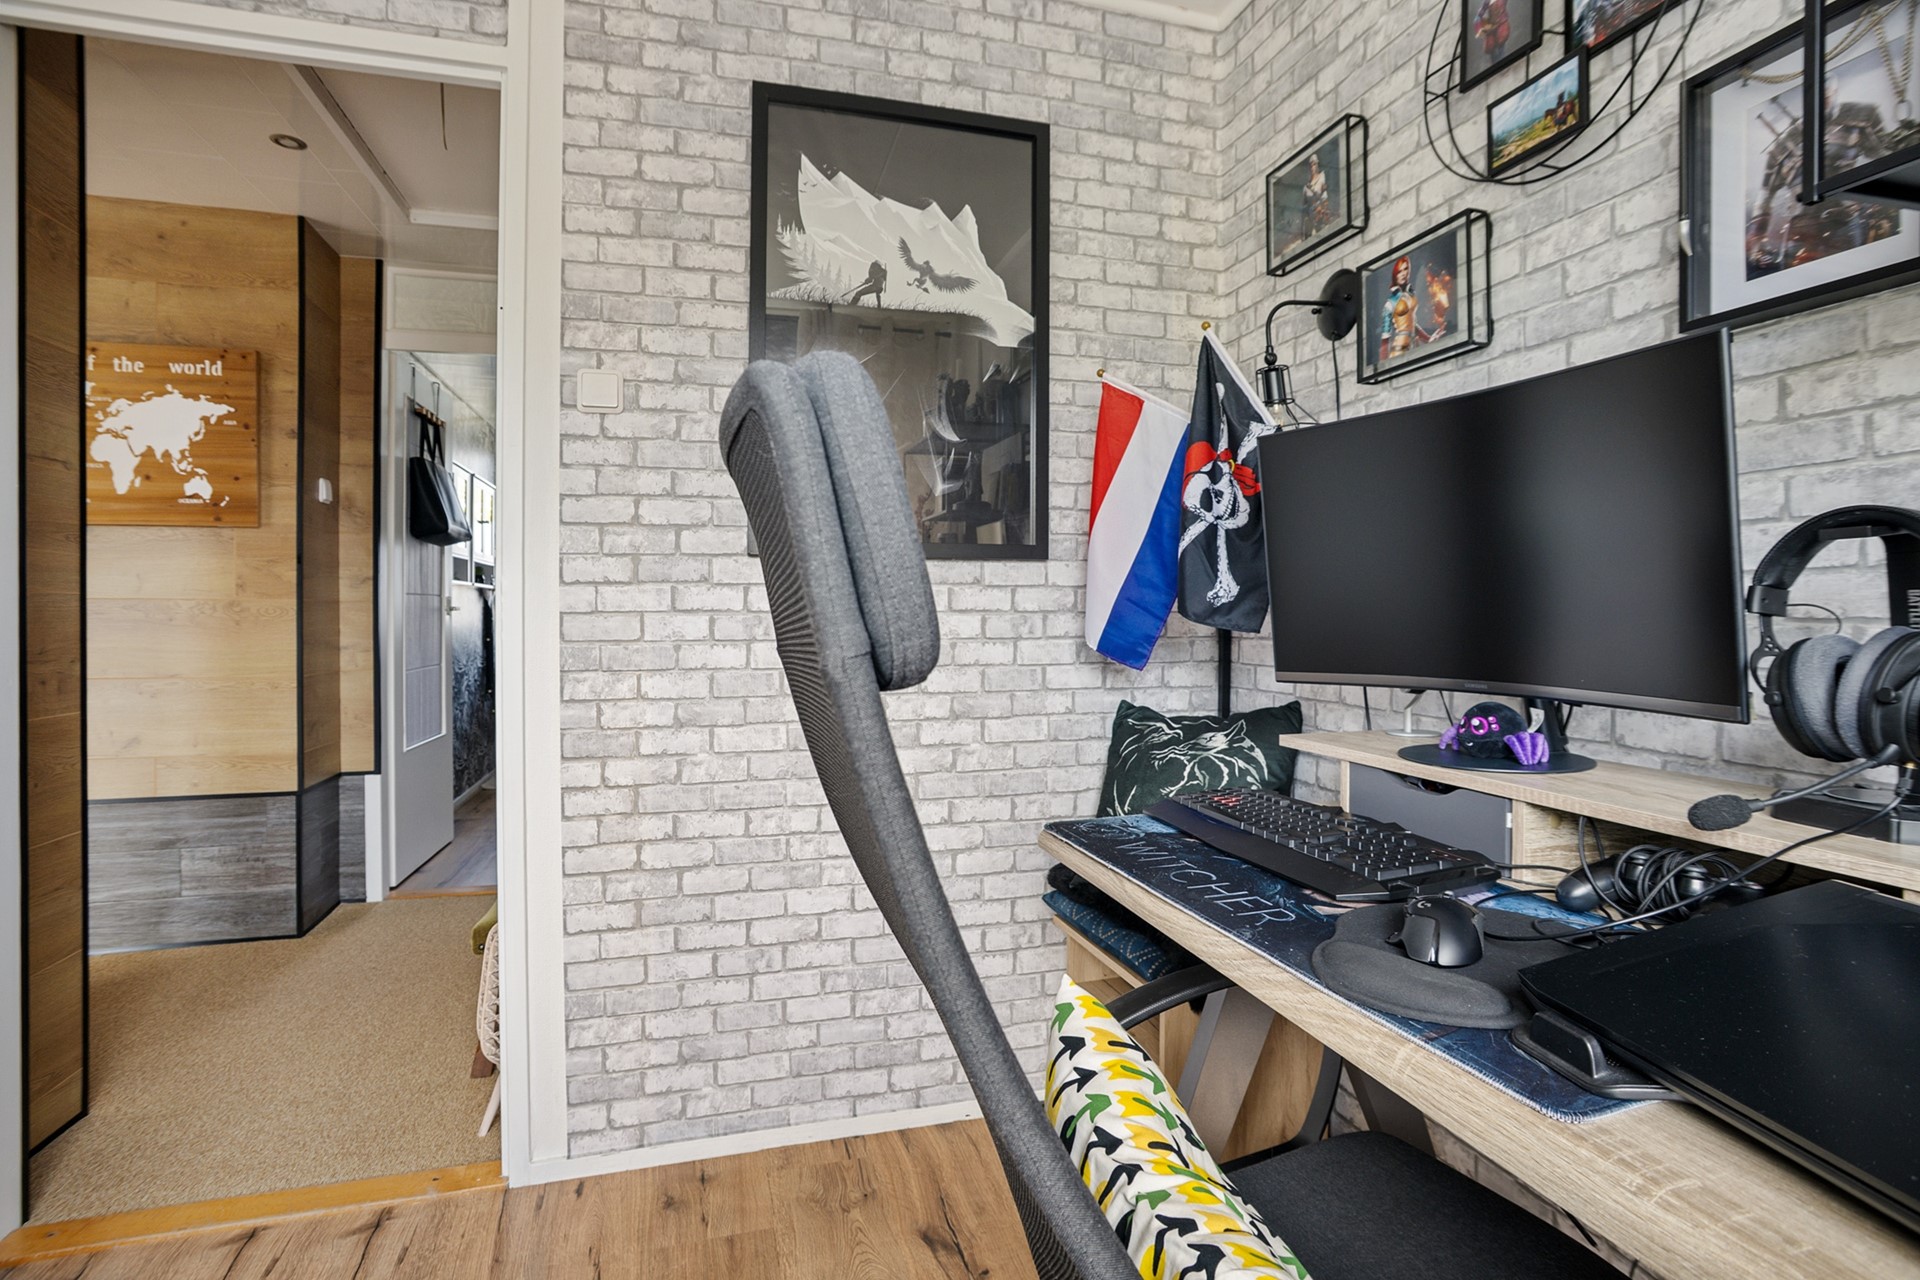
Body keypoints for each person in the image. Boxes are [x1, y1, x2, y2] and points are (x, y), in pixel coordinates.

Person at [1379, 256, 1418, 363]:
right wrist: (1383, 365)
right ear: (1395, 275)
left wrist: (1428, 338)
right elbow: (1385, 337)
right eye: (1399, 271)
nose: (1403, 274)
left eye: (1405, 269)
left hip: (1414, 346)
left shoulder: (1411, 294)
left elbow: (1413, 323)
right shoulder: (1390, 303)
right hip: (1399, 349)